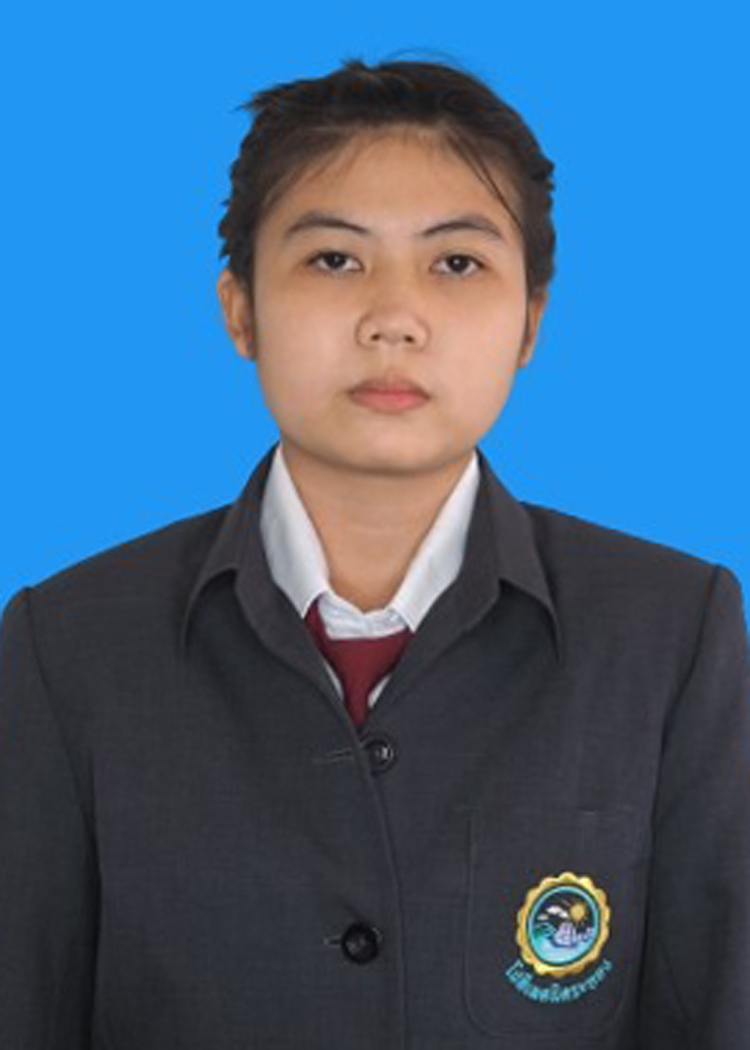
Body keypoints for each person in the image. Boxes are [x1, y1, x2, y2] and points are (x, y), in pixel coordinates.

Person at [1, 56, 748, 1050]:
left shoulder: (672, 631)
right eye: (334, 260)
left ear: (531, 321)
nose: (393, 318)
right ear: (240, 309)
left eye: (457, 264)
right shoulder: (68, 644)